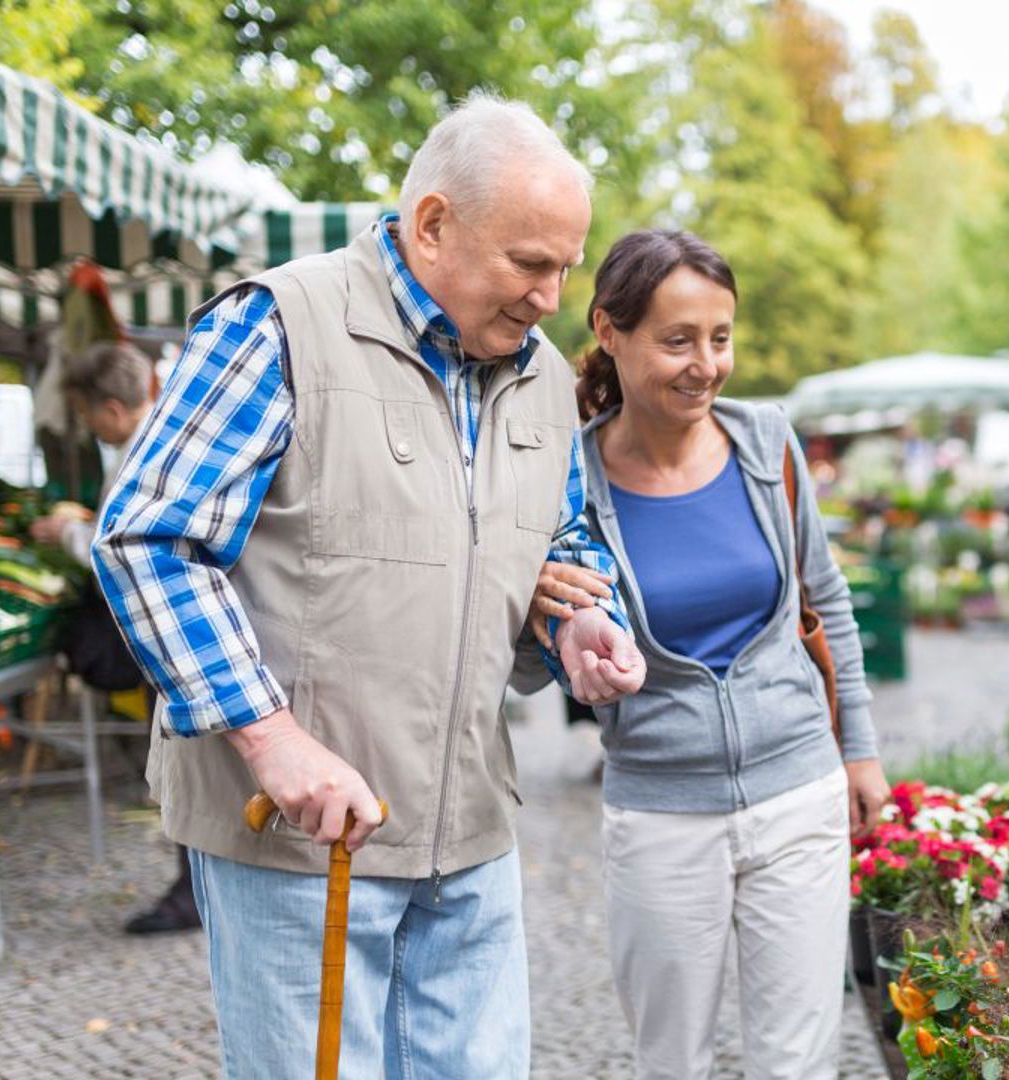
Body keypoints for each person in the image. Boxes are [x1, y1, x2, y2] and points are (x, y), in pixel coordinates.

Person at [93, 94, 644, 1078]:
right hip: (301, 844)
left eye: (566, 266)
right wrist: (273, 740)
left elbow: (562, 535)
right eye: (530, 263)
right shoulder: (279, 326)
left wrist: (580, 620)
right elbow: (148, 537)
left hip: (472, 829)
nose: (552, 297)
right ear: (433, 223)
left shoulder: (544, 376)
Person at [533, 229, 890, 1080]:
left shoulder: (768, 443)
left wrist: (861, 753)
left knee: (798, 1060)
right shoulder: (566, 480)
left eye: (720, 338)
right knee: (672, 1062)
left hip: (799, 793)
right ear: (610, 333)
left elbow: (825, 599)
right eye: (677, 340)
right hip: (660, 813)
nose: (705, 364)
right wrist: (559, 639)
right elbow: (537, 639)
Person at [33, 342, 200, 934]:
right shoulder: (162, 438)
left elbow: (125, 550)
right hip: (178, 640)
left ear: (109, 407)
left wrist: (68, 535)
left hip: (171, 643)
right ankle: (197, 891)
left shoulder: (143, 453)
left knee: (187, 774)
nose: (86, 427)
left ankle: (194, 896)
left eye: (85, 415)